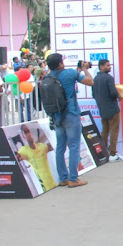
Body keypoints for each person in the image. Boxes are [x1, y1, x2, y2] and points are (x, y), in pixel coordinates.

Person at [46, 53, 94, 188]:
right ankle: (73, 179)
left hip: (56, 115)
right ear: (61, 64)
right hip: (71, 114)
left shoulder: (48, 76)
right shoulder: (70, 73)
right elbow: (91, 82)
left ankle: (63, 178)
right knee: (74, 146)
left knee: (60, 147)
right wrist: (85, 69)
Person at [92, 59, 123, 161]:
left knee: (105, 130)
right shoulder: (109, 78)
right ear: (101, 67)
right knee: (114, 131)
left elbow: (93, 95)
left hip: (102, 108)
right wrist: (119, 96)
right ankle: (113, 154)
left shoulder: (95, 79)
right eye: (107, 65)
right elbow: (113, 92)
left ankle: (104, 152)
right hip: (112, 108)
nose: (110, 67)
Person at [15, 124, 57, 192]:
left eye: (28, 131)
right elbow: (16, 158)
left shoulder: (42, 146)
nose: (28, 134)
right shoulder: (23, 150)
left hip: (53, 184)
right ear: (23, 136)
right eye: (25, 132)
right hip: (43, 188)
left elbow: (55, 145)